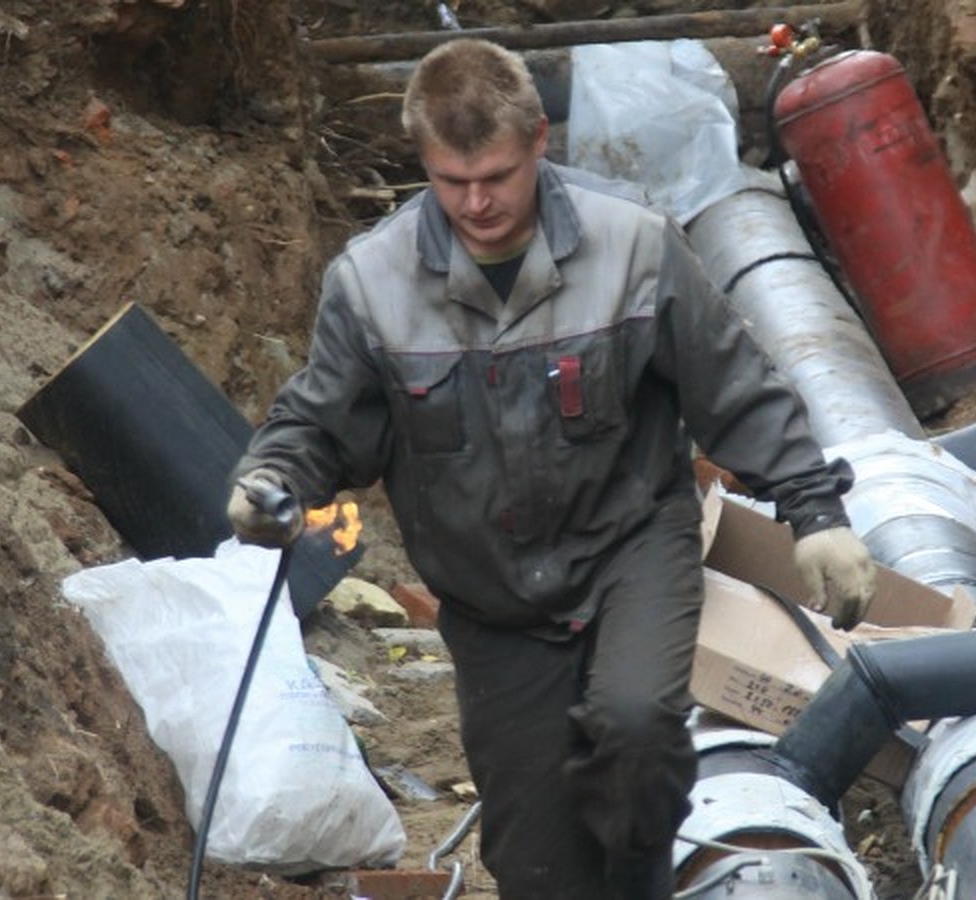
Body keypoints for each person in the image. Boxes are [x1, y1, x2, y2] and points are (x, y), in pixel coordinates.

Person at [227, 37, 876, 900]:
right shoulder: (371, 285)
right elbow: (320, 423)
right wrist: (272, 480)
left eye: (496, 174)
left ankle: (645, 878)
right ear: (422, 157)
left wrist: (816, 516)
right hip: (491, 597)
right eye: (452, 181)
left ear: (539, 140)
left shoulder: (636, 251)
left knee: (636, 727)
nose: (478, 201)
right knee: (537, 860)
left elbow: (739, 390)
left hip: (630, 548)